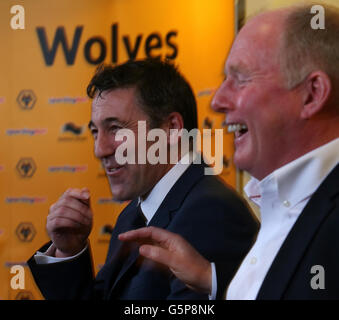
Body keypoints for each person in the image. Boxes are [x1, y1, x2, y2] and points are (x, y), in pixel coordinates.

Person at [119, 4, 339, 300]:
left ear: (311, 94)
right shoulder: (286, 201)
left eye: (241, 78)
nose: (218, 100)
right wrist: (210, 281)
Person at [27, 58, 259, 300]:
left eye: (116, 128)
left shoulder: (213, 212)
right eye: (95, 132)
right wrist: (69, 251)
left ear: (171, 128)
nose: (100, 149)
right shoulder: (132, 215)